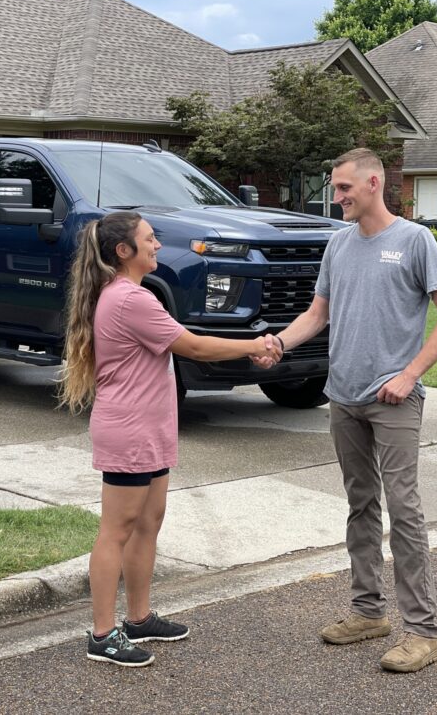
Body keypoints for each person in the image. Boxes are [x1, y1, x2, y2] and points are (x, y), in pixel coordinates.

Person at [253, 148, 437, 673]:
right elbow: (317, 313)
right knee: (360, 505)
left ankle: (423, 631)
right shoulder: (339, 244)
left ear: (374, 183)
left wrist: (409, 374)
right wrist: (279, 342)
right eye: (335, 187)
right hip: (343, 396)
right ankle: (368, 611)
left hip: (393, 399)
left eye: (344, 187)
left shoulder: (414, 241)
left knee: (405, 511)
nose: (338, 196)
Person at [59, 210, 282, 667]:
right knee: (116, 531)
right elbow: (195, 347)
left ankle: (138, 618)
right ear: (124, 252)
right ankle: (102, 634)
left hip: (150, 428)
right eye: (149, 239)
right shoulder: (128, 300)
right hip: (130, 430)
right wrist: (256, 344)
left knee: (148, 524)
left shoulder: (130, 294)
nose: (157, 245)